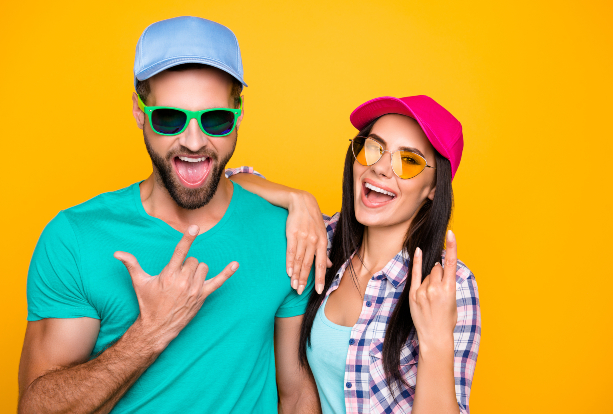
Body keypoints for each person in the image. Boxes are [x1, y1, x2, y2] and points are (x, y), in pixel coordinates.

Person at [18, 16, 320, 414]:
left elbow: (295, 396)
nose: (193, 141)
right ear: (139, 112)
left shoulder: (286, 233)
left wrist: (300, 200)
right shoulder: (75, 238)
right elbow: (37, 409)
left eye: (214, 119)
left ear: (238, 114)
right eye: (169, 118)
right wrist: (150, 332)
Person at [228, 95, 481, 413]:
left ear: (433, 189)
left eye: (409, 161)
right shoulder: (322, 239)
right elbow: (230, 183)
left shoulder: (450, 285)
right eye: (373, 148)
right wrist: (297, 198)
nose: (380, 167)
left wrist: (436, 342)